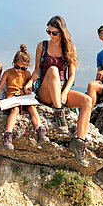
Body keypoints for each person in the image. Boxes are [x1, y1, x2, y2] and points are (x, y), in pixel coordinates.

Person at [24, 16, 93, 167]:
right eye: (48, 31)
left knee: (87, 101)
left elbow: (72, 76)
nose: (50, 35)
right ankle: (59, 113)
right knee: (54, 70)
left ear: (62, 33)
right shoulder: (42, 46)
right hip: (45, 90)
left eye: (54, 33)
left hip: (62, 89)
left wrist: (64, 93)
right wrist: (30, 82)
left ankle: (79, 143)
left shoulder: (69, 48)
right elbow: (36, 71)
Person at [0, 44, 50, 150]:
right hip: (12, 99)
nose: (19, 70)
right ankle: (8, 136)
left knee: (32, 108)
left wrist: (28, 89)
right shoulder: (8, 73)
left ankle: (40, 132)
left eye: (23, 68)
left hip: (24, 98)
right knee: (14, 110)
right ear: (13, 63)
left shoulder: (27, 74)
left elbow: (31, 87)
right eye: (17, 67)